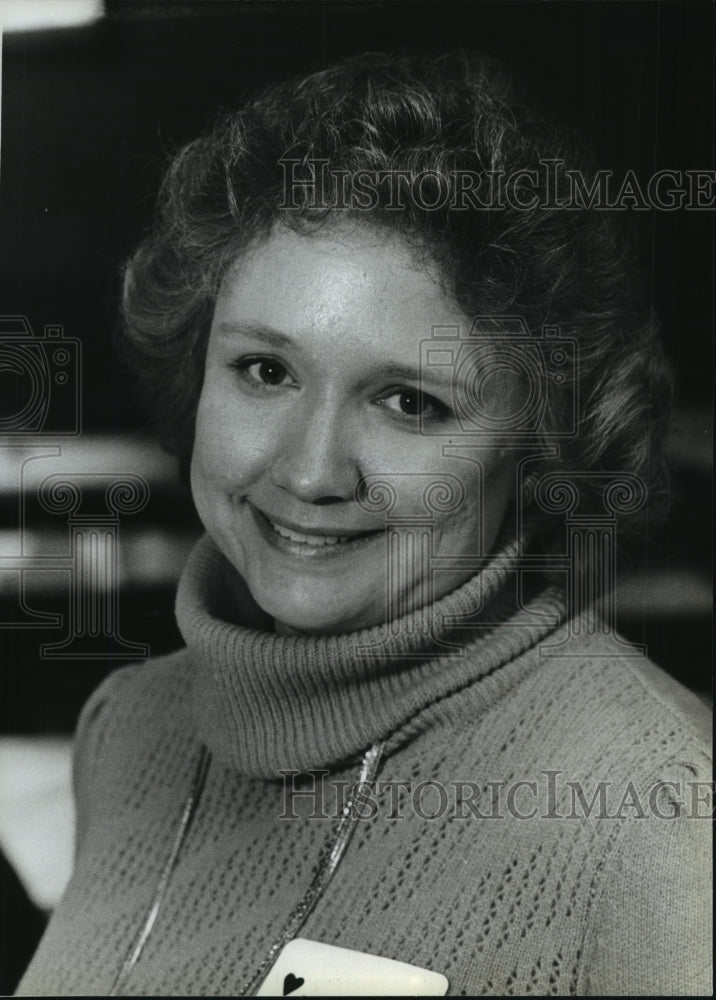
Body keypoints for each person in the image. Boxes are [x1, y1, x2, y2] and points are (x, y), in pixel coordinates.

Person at [18, 51, 710, 997]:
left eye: (410, 402)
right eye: (266, 371)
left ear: (544, 444)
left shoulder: (662, 814)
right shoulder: (130, 732)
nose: (308, 470)